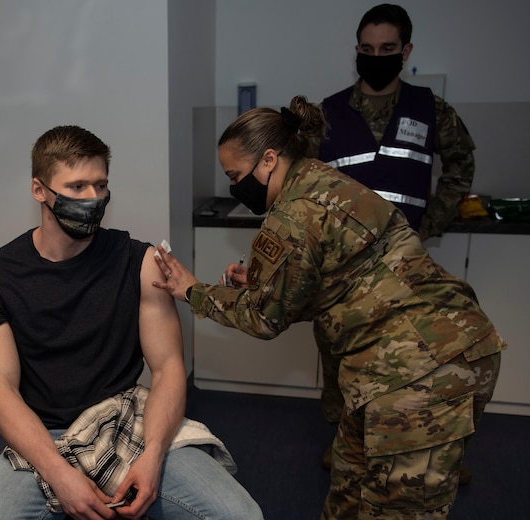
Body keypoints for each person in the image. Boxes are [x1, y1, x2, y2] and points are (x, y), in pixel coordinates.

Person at [153, 97, 505, 519]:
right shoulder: (324, 179)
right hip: (430, 350)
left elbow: (263, 318)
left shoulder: (290, 217)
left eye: (235, 175)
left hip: (419, 374)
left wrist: (191, 289)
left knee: (395, 510)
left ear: (268, 160)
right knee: (349, 488)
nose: (233, 187)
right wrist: (273, 286)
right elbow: (343, 276)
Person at [0, 125, 263, 520]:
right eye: (76, 187)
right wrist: (58, 473)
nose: (92, 199)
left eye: (100, 186)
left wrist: (153, 456)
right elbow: (0, 390)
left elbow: (168, 367)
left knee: (240, 515)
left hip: (129, 420)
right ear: (39, 190)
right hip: (43, 436)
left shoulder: (138, 263)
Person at [316, 4, 479, 474]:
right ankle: (346, 440)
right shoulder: (328, 113)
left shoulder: (430, 108)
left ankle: (432, 449)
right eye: (367, 49)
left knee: (415, 360)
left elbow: (461, 164)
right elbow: (302, 182)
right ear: (357, 52)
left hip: (404, 262)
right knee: (345, 359)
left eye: (387, 49)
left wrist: (433, 221)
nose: (377, 56)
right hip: (342, 264)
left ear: (405, 51)